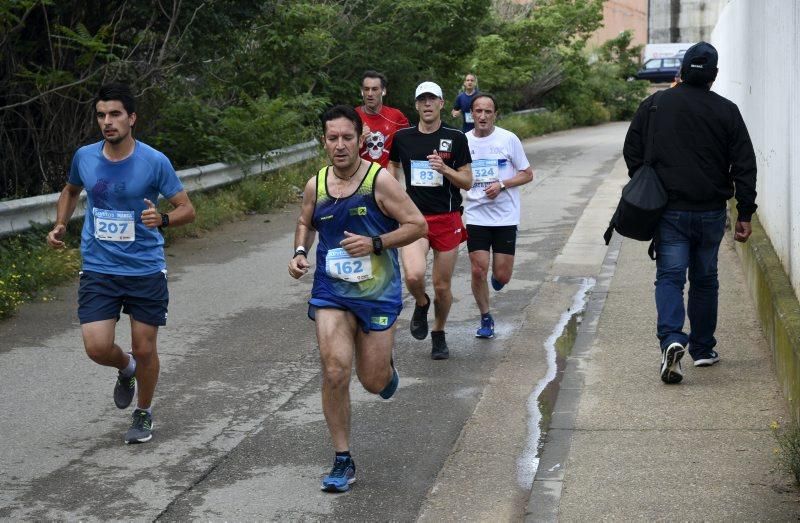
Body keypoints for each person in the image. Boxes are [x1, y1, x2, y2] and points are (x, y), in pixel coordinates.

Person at [46, 82, 196, 443]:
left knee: (146, 348)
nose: (107, 122)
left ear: (131, 118)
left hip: (144, 267)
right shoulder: (85, 157)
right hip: (99, 266)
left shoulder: (154, 161)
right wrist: (61, 223)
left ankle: (143, 413)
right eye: (101, 115)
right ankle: (125, 367)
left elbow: (187, 209)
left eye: (115, 114)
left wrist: (161, 220)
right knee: (97, 347)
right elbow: (70, 191)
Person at [288, 105, 426, 492]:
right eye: (333, 138)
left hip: (378, 295)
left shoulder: (378, 181)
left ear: (361, 139)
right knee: (334, 371)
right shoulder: (317, 184)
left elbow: (417, 224)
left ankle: (385, 369)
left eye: (347, 137)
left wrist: (375, 242)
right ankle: (342, 459)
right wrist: (300, 252)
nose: (340, 145)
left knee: (372, 380)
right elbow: (304, 222)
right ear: (324, 141)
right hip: (332, 291)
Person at [622, 42, 757, 384]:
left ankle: (671, 339)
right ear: (714, 75)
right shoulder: (727, 111)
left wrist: (648, 182)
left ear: (680, 72)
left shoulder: (654, 105)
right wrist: (744, 212)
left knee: (669, 277)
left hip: (669, 211)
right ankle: (703, 348)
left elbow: (632, 150)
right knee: (705, 279)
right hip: (711, 211)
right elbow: (744, 165)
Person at [389, 81, 473, 360]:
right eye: (422, 99)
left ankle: (438, 332)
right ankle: (421, 303)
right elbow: (392, 168)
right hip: (414, 219)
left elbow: (468, 181)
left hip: (448, 218)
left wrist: (445, 168)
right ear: (416, 105)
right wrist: (391, 196)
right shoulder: (403, 138)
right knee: (413, 275)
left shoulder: (456, 137)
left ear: (440, 103)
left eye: (432, 99)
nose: (427, 104)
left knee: (442, 286)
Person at [464, 93, 534, 339]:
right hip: (476, 215)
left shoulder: (508, 139)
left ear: (495, 114)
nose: (482, 116)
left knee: (501, 275)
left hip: (505, 216)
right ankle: (485, 317)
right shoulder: (464, 142)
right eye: (478, 111)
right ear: (471, 113)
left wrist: (502, 184)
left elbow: (527, 174)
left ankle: (498, 278)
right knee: (477, 270)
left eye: (488, 112)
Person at [355, 70, 410, 168]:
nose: (370, 94)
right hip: (360, 176)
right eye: (366, 89)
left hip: (387, 176)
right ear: (362, 91)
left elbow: (409, 145)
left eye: (375, 89)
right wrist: (358, 138)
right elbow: (343, 149)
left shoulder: (396, 116)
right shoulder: (352, 116)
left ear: (383, 91)